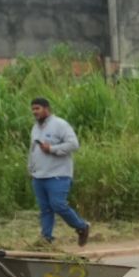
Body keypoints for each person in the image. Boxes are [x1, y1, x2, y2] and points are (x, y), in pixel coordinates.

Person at [28, 97, 90, 247]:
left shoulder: (60, 124)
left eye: (37, 108)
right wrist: (30, 168)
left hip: (58, 174)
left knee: (58, 204)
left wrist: (52, 149)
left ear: (46, 109)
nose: (34, 112)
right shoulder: (35, 127)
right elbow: (33, 149)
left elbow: (74, 144)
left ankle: (82, 226)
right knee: (45, 209)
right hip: (39, 175)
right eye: (33, 109)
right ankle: (46, 239)